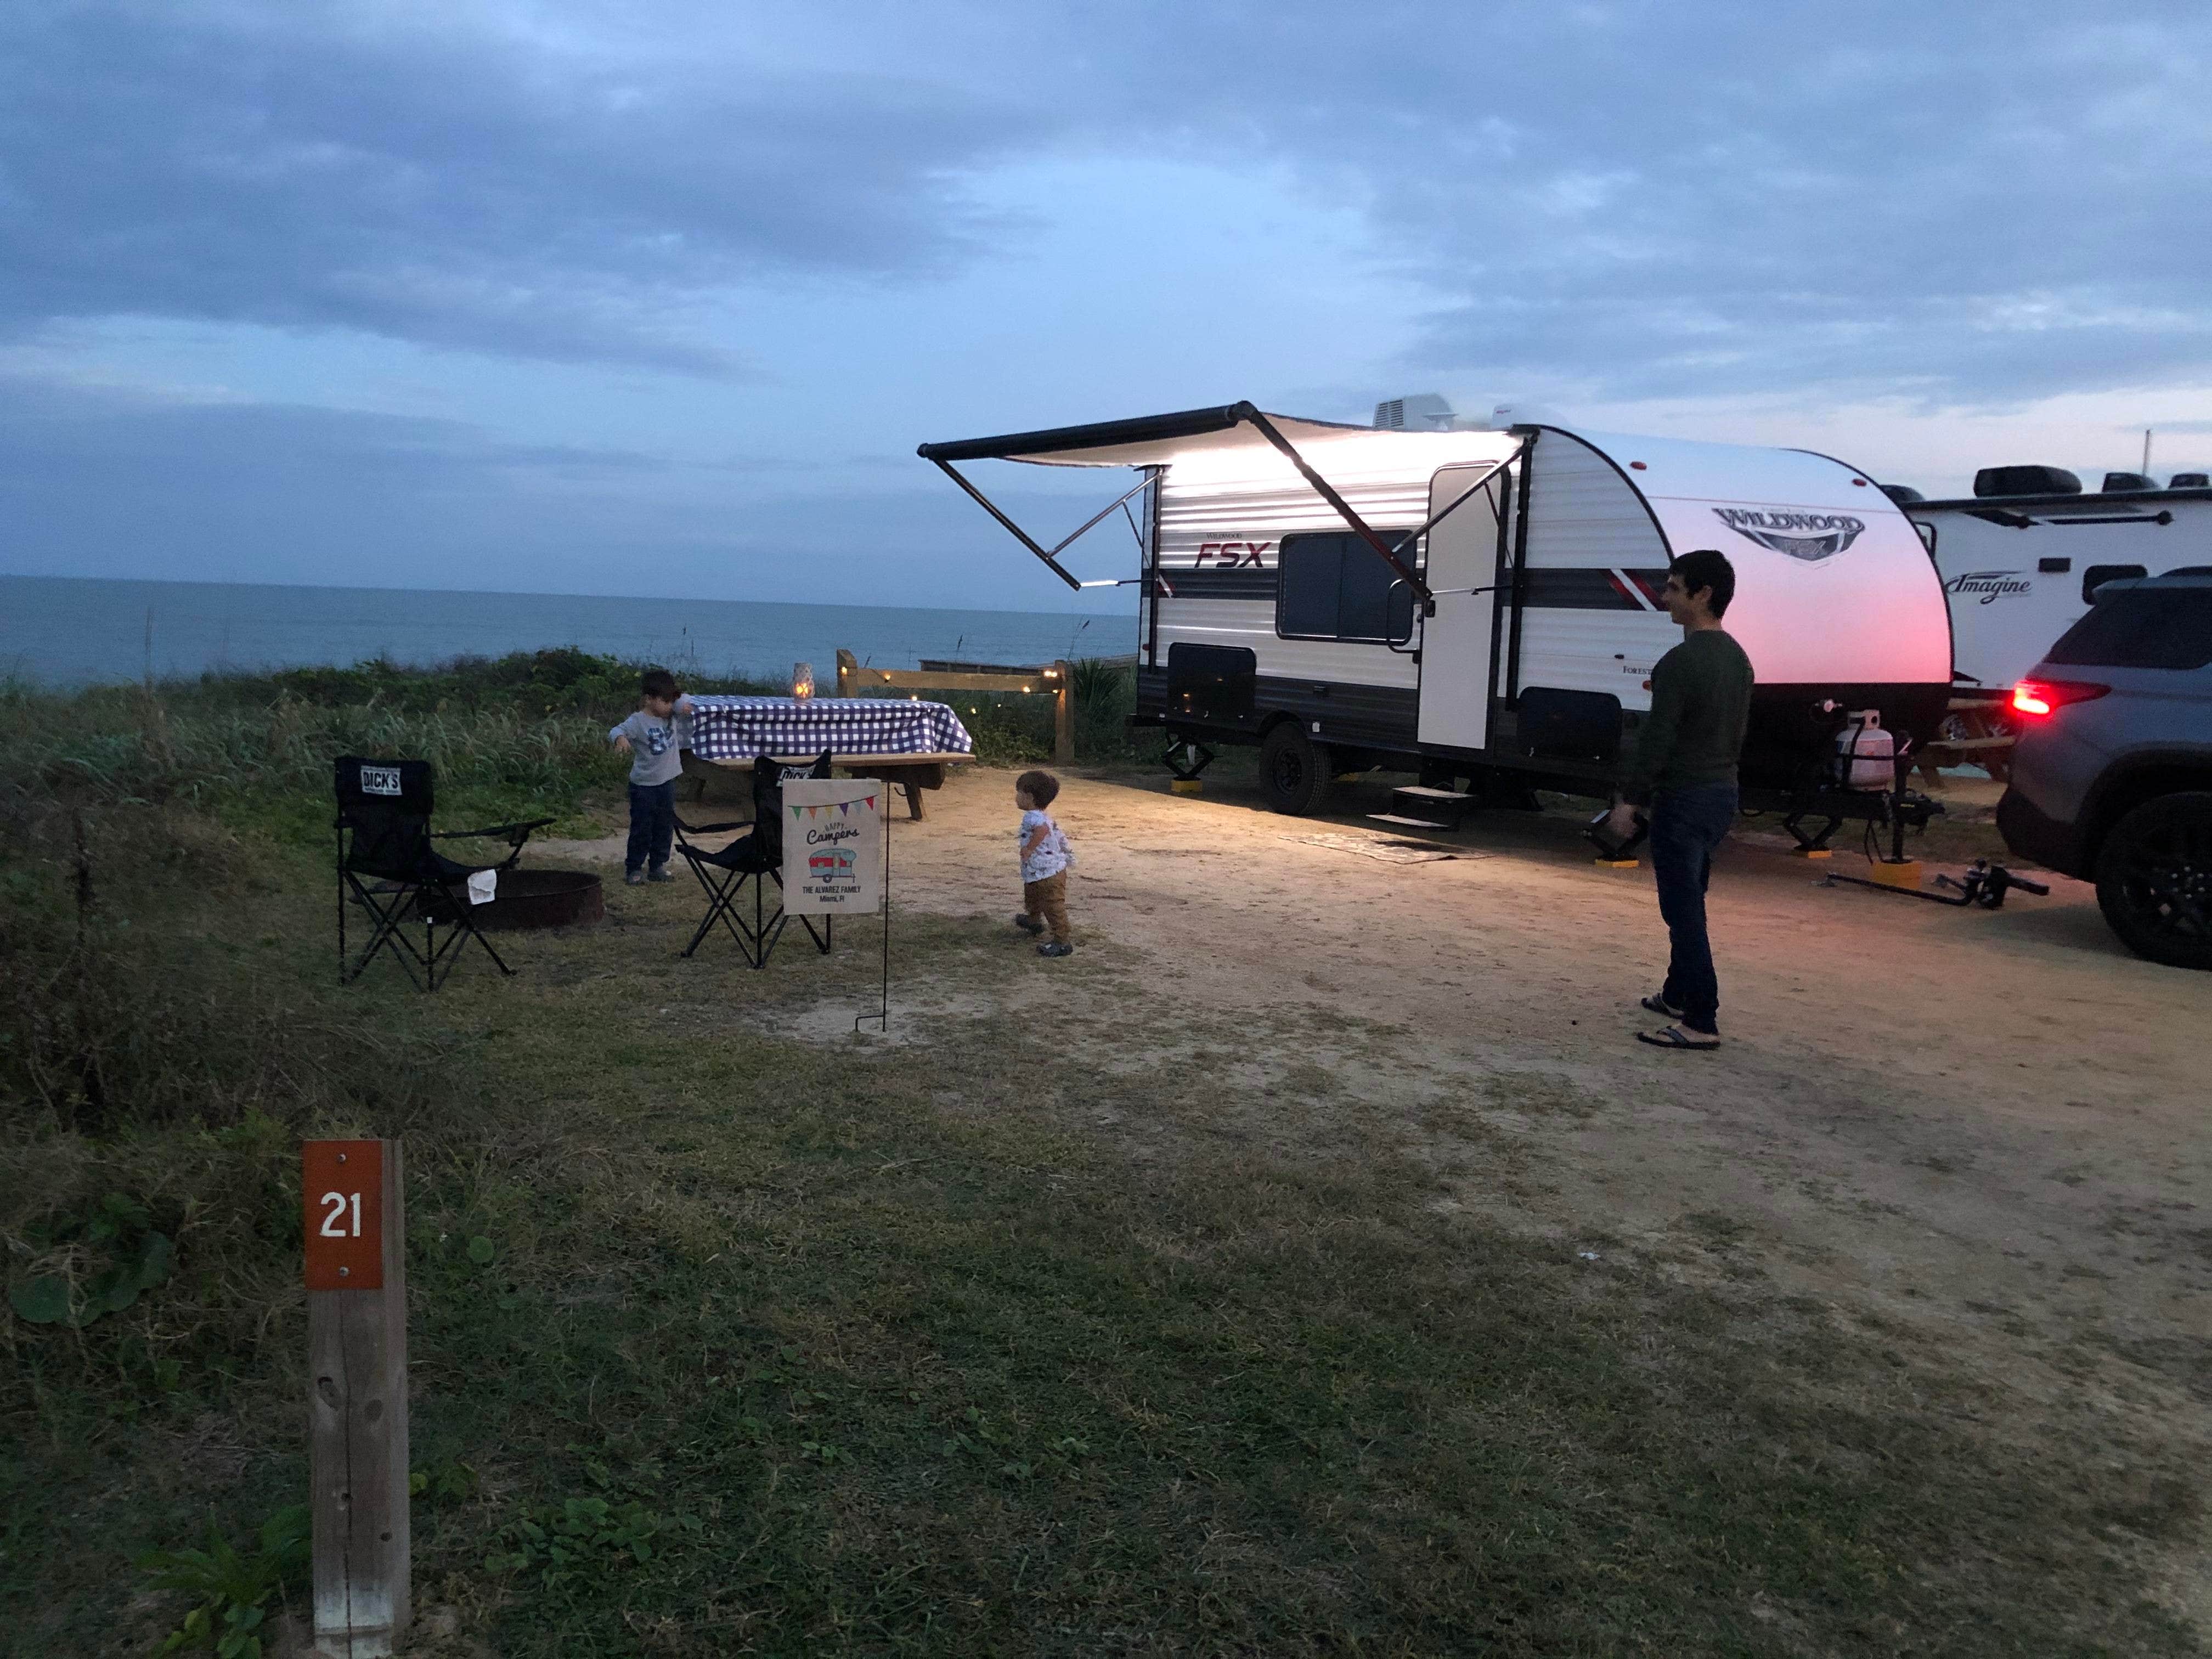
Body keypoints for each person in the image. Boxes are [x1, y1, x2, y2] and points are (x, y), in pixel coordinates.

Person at [1605, 548, 1754, 1051]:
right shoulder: (1738, 658)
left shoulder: (1681, 662)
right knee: (1691, 895)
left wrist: (1631, 801)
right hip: (1720, 794)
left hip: (1685, 798)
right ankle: (1675, 993)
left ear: (1703, 594)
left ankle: (1700, 1020)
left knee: (1683, 909)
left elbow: (1657, 740)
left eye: (1673, 587)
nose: (1664, 596)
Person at [608, 668, 695, 886]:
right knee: (642, 829)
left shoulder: (672, 714)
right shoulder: (638, 722)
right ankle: (635, 868)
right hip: (644, 786)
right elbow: (616, 730)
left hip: (667, 783)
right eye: (664, 702)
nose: (668, 706)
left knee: (664, 827)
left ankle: (658, 865)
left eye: (670, 702)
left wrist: (677, 703)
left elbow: (686, 700)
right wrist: (620, 739)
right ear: (649, 699)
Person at [1010, 769, 1075, 958]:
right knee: (1033, 896)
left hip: (1048, 872)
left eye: (1019, 793)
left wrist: (1030, 848)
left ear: (1029, 797)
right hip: (1041, 871)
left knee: (1053, 906)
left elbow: (1042, 831)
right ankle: (1033, 920)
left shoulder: (1034, 818)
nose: (1017, 797)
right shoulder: (1041, 815)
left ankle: (1062, 941)